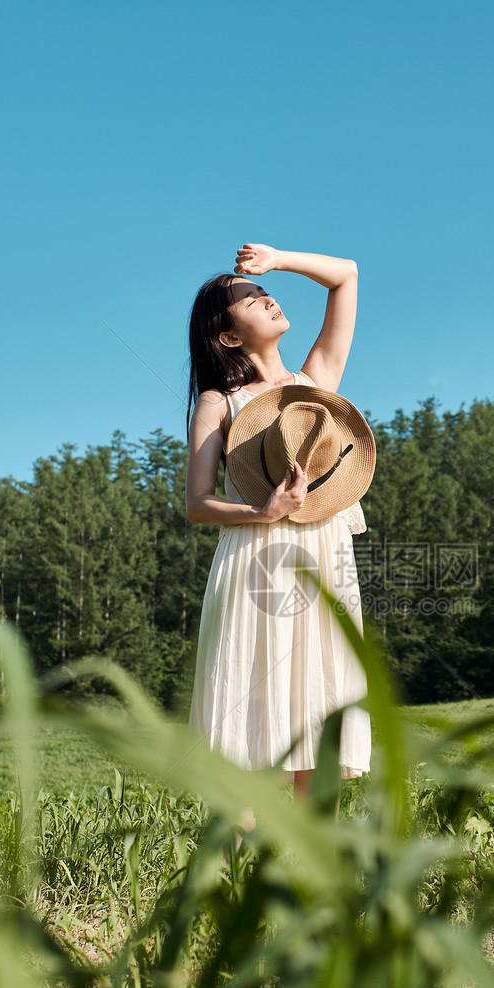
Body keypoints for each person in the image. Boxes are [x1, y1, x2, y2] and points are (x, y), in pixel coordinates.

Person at [185, 243, 373, 805]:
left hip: (324, 557)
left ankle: (319, 886)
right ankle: (234, 884)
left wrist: (277, 260)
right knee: (248, 737)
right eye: (248, 298)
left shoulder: (316, 384)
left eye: (264, 291)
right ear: (228, 337)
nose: (265, 297)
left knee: (320, 725)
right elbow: (197, 503)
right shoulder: (221, 402)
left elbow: (347, 275)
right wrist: (261, 513)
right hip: (255, 561)